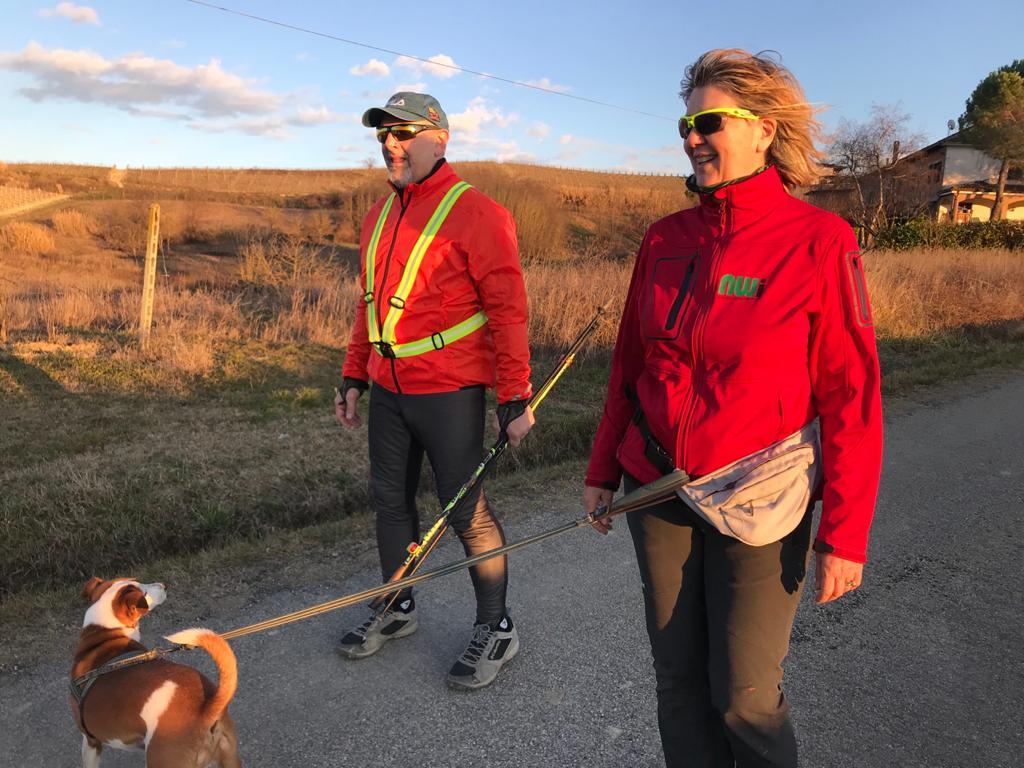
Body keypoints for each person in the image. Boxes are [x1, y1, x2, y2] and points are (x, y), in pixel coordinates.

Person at [583, 50, 883, 767]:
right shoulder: (665, 239)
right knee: (679, 684)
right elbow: (630, 365)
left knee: (744, 699)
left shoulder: (819, 241)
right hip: (656, 488)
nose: (692, 137)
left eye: (709, 122)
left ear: (763, 130)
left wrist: (844, 532)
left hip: (763, 495)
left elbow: (851, 395)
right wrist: (602, 468)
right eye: (685, 124)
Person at [335, 92, 535, 690]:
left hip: (450, 389)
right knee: (390, 502)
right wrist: (353, 373)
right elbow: (368, 304)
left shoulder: (479, 213)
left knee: (465, 510)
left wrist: (514, 395)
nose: (390, 144)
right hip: (388, 388)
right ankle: (397, 607)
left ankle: (496, 626)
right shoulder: (378, 215)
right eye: (383, 135)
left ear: (439, 138)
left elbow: (508, 309)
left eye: (403, 133)